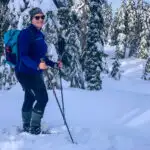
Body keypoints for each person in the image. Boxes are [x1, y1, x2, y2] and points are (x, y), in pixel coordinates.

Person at [15, 7, 62, 135]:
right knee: (42, 98)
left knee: (30, 97)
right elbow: (23, 56)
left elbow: (41, 57)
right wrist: (37, 65)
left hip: (34, 72)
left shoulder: (39, 34)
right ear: (31, 19)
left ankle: (27, 125)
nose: (40, 19)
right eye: (37, 17)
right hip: (25, 73)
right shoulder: (25, 34)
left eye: (42, 17)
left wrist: (53, 64)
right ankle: (34, 128)